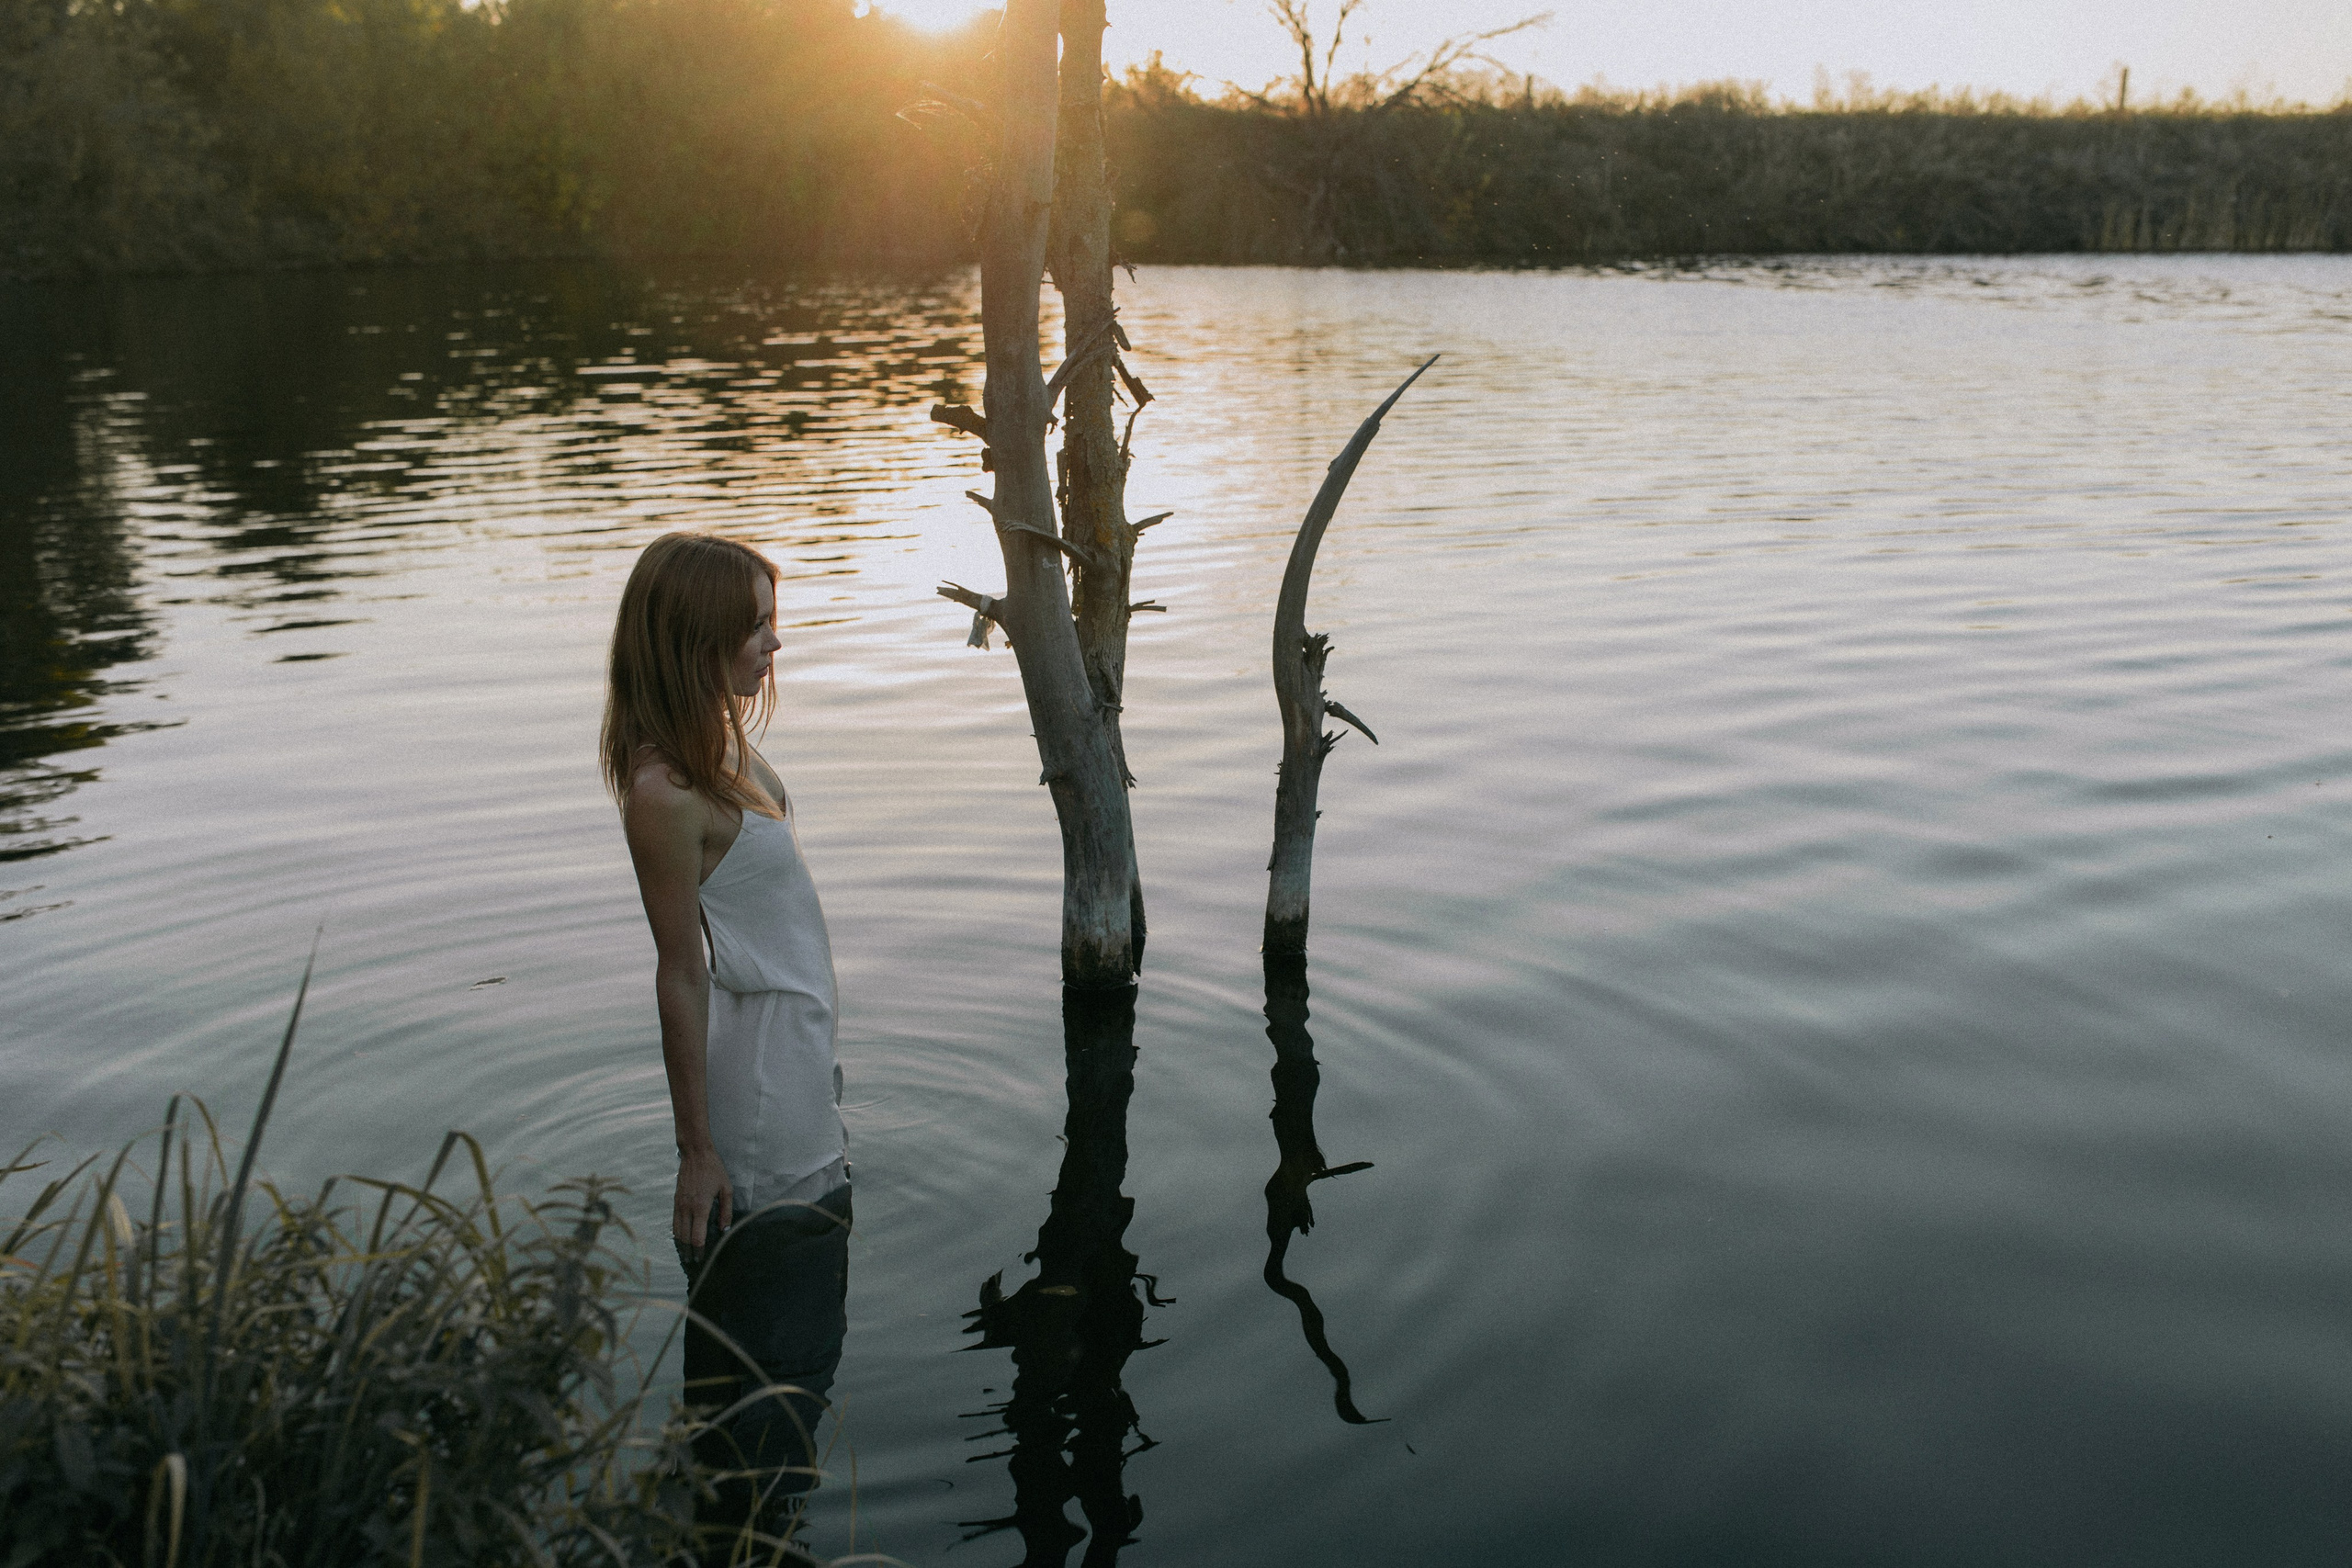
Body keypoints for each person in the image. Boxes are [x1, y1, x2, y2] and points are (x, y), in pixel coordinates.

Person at [601, 531, 850, 1557]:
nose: (773, 643)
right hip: (755, 1107)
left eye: (770, 620)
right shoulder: (664, 792)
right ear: (694, 638)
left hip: (795, 1067)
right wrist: (696, 1150)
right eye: (754, 626)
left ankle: (744, 1536)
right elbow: (679, 972)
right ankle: (739, 1540)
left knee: (794, 1364)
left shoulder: (724, 744)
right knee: (775, 1371)